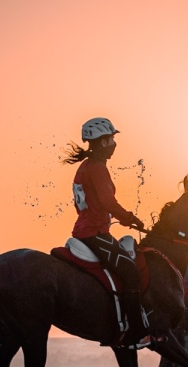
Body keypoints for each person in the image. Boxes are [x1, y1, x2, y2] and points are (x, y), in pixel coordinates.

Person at [63, 117, 148, 346]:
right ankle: (135, 332)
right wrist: (131, 219)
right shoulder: (97, 168)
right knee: (131, 274)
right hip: (93, 233)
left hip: (89, 230)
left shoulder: (86, 167)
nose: (114, 144)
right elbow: (108, 202)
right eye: (111, 139)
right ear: (102, 142)